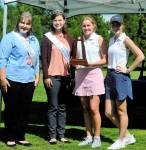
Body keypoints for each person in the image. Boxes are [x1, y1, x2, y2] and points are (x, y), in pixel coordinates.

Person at [0, 12, 40, 147]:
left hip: (29, 80)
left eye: (28, 23)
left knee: (25, 110)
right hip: (12, 79)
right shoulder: (9, 38)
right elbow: (2, 59)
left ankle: (21, 136)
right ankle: (10, 136)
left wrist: (37, 75)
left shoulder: (34, 40)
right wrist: (2, 78)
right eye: (22, 22)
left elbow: (37, 61)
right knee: (11, 109)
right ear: (18, 22)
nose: (24, 25)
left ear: (31, 25)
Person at [105, 15, 145, 150]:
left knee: (122, 111)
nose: (115, 26)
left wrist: (128, 69)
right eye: (113, 24)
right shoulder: (111, 40)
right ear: (111, 26)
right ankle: (127, 136)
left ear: (122, 25)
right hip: (109, 76)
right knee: (108, 112)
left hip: (120, 77)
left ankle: (121, 140)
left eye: (118, 24)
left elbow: (140, 55)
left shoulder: (125, 39)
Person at [72, 16, 107, 148]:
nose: (86, 28)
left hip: (94, 74)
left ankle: (97, 137)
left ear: (93, 26)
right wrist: (76, 64)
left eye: (88, 25)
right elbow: (76, 58)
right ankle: (88, 136)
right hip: (81, 75)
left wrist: (90, 63)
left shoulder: (99, 39)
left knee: (94, 108)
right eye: (84, 26)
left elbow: (104, 60)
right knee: (85, 108)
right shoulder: (78, 40)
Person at [41, 10, 74, 144]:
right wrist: (46, 76)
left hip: (66, 77)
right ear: (52, 22)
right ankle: (52, 135)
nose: (58, 22)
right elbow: (43, 59)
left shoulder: (70, 39)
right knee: (53, 106)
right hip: (52, 76)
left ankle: (62, 135)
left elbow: (73, 59)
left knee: (62, 107)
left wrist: (73, 76)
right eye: (55, 20)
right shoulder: (47, 38)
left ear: (64, 21)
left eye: (60, 20)